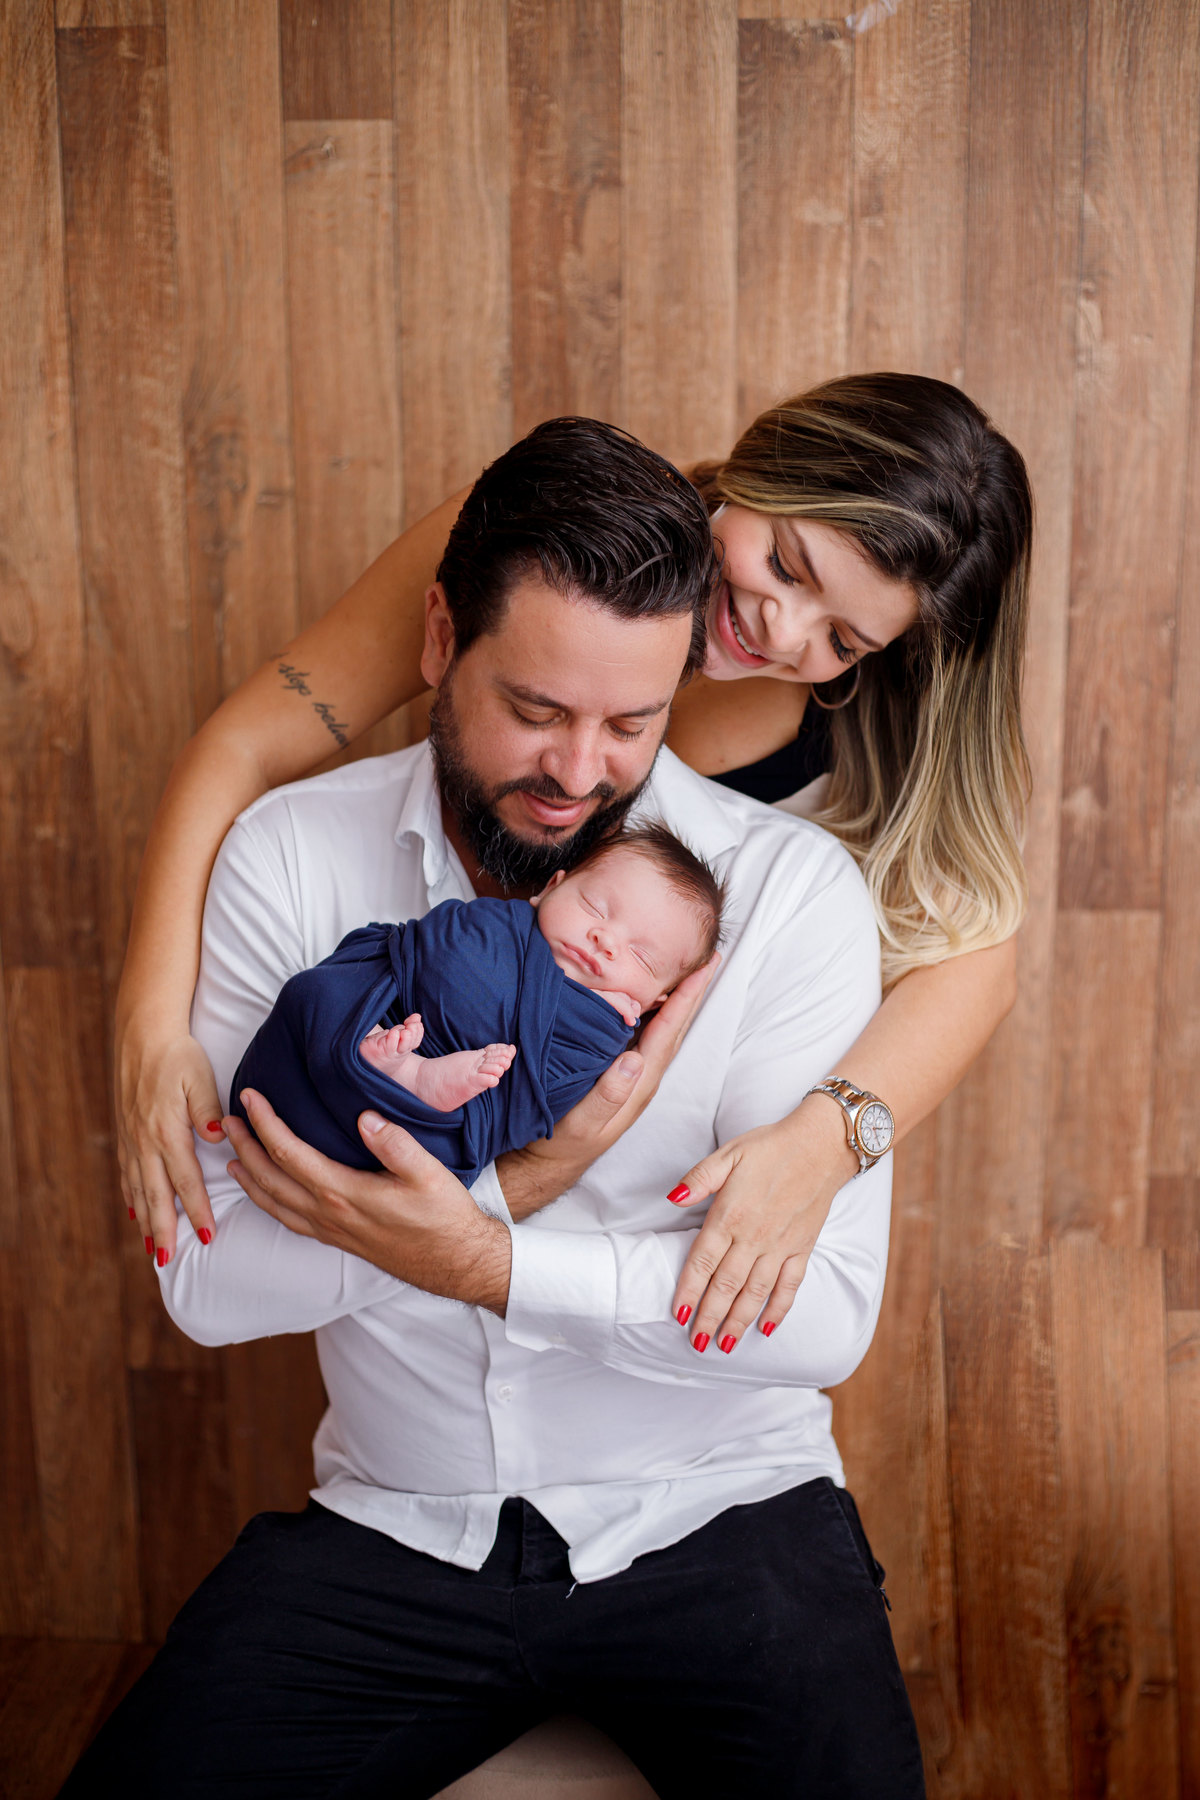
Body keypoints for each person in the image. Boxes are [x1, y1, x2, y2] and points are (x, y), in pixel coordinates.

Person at [63, 417, 924, 1797]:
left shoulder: (784, 899)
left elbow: (819, 1318)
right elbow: (209, 1284)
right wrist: (511, 1191)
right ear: (437, 640)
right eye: (535, 709)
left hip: (723, 1517)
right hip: (397, 1529)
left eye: (631, 725)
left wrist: (485, 1262)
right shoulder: (295, 861)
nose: (579, 774)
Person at [114, 372, 1031, 1355]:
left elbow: (978, 955)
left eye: (842, 638)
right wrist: (149, 1016)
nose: (782, 630)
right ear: (758, 468)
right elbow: (248, 743)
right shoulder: (549, 535)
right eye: (786, 563)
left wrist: (826, 1139)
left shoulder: (818, 803)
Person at [228, 823, 724, 1179]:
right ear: (550, 888)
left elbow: (537, 1104)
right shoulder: (498, 925)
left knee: (437, 1141)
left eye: (640, 955)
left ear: (656, 1001)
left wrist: (601, 1026)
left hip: (438, 1120)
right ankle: (402, 1067)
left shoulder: (601, 1037)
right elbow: (435, 950)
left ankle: (415, 1077)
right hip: (378, 1018)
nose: (605, 939)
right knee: (318, 994)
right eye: (594, 906)